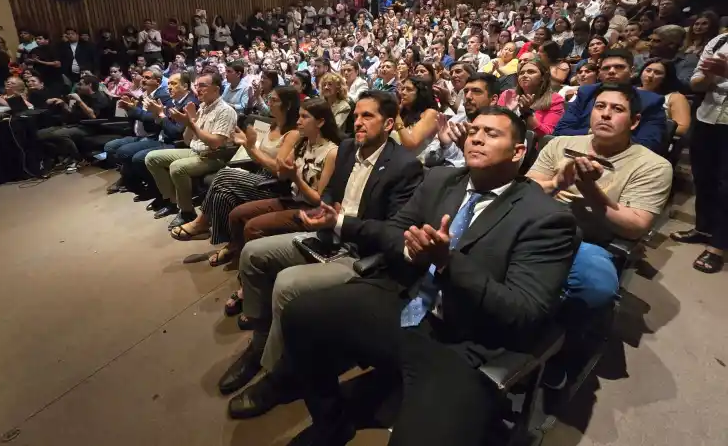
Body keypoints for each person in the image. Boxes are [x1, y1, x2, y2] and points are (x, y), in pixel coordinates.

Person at [281, 107, 578, 446]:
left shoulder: (546, 218)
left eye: (492, 134)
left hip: (462, 342)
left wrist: (448, 262)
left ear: (519, 151)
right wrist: (349, 227)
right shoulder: (441, 180)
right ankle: (332, 424)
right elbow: (393, 231)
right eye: (475, 130)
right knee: (301, 314)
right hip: (405, 305)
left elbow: (523, 311)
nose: (477, 138)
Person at [220, 91, 424, 418]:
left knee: (288, 285)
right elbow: (330, 192)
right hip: (327, 234)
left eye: (367, 116)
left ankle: (278, 376)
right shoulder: (345, 148)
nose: (358, 122)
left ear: (388, 123)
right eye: (356, 115)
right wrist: (324, 209)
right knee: (253, 254)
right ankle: (260, 342)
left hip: (361, 254)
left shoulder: (405, 166)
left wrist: (342, 220)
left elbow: (392, 230)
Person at [528, 83, 673, 307]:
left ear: (634, 122)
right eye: (600, 106)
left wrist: (589, 190)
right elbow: (527, 189)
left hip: (589, 240)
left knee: (597, 289)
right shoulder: (560, 143)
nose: (605, 114)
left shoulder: (652, 165)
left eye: (617, 109)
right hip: (537, 225)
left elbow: (635, 225)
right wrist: (557, 182)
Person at [171, 86, 301, 250]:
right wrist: (246, 146)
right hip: (260, 174)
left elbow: (278, 169)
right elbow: (257, 158)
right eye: (269, 98)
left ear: (287, 105)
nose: (269, 103)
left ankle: (201, 223)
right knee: (221, 194)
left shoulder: (293, 134)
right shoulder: (272, 126)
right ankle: (232, 243)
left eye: (274, 100)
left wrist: (251, 147)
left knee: (224, 175)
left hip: (275, 184)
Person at [224, 98, 341, 262]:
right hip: (290, 199)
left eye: (304, 117)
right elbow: (282, 174)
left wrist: (295, 178)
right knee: (236, 215)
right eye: (299, 116)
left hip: (309, 209)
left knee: (253, 227)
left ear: (320, 122)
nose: (298, 121)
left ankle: (255, 272)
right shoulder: (302, 143)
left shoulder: (331, 152)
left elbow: (319, 200)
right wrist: (282, 169)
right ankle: (239, 257)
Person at [144, 72, 238, 229]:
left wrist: (191, 123)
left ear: (216, 89)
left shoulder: (225, 111)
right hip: (195, 151)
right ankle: (174, 202)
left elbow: (215, 143)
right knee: (152, 158)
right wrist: (190, 122)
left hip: (214, 156)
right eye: (197, 86)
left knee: (177, 167)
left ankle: (187, 212)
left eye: (203, 86)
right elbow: (187, 140)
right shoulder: (202, 107)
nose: (198, 89)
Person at [671, 33, 728, 272]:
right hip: (707, 118)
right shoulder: (719, 41)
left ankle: (718, 245)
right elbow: (695, 82)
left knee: (726, 186)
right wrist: (708, 76)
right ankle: (703, 228)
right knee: (703, 177)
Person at [555, 49, 667, 153]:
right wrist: (593, 132)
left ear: (632, 71)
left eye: (619, 67)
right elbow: (561, 130)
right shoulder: (586, 93)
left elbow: (648, 144)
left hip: (622, 160)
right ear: (599, 73)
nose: (612, 71)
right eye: (606, 68)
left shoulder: (650, 101)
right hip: (577, 151)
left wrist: (602, 136)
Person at [104, 68, 173, 193]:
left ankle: (132, 180)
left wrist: (132, 109)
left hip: (153, 136)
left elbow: (150, 117)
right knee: (109, 147)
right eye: (143, 77)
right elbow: (138, 115)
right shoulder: (144, 95)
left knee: (124, 152)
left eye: (147, 78)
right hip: (139, 134)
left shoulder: (163, 96)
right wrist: (127, 108)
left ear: (157, 81)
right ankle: (130, 177)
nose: (143, 80)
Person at [423, 72, 500, 168]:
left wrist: (467, 148)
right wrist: (443, 145)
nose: (468, 96)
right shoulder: (454, 122)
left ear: (493, 100)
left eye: (476, 91)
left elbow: (489, 172)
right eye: (466, 91)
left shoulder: (501, 129)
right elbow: (427, 160)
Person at [36, 76, 112, 173]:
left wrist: (79, 101)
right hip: (75, 124)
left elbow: (93, 116)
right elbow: (72, 114)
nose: (78, 86)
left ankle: (78, 159)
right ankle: (54, 159)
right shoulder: (82, 96)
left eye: (81, 84)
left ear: (89, 85)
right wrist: (63, 104)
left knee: (59, 134)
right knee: (40, 134)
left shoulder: (100, 97)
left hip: (90, 127)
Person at [498, 59, 565, 140]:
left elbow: (547, 136)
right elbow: (496, 122)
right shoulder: (507, 94)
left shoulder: (555, 100)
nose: (524, 75)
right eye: (521, 73)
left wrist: (528, 114)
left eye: (531, 72)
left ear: (543, 78)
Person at [637, 58, 690, 137]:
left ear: (666, 77)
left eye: (657, 73)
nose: (650, 75)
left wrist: (650, 127)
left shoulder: (675, 97)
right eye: (648, 70)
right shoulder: (631, 90)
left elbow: (682, 128)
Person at [392, 77, 440, 163]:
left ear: (421, 93)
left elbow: (411, 143)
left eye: (409, 89)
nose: (403, 92)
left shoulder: (430, 113)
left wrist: (396, 116)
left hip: (416, 165)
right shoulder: (404, 112)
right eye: (403, 89)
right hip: (397, 160)